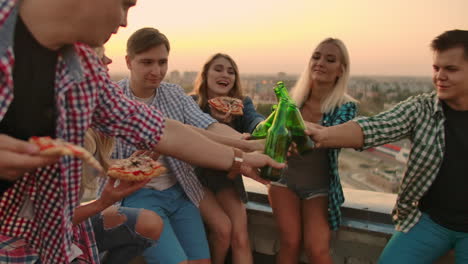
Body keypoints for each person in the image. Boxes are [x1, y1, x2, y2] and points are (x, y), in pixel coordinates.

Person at [0, 1, 283, 263]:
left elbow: (163, 130)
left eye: (162, 62)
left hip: (52, 242)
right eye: (124, 4)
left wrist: (242, 159)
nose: (124, 21)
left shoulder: (84, 68)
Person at [306, 30, 468, 264]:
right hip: (430, 222)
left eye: (450, 69)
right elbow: (374, 127)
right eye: (436, 68)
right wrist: (323, 133)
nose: (440, 76)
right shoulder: (422, 108)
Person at [113, 28, 266, 264]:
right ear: (128, 62)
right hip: (137, 194)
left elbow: (208, 127)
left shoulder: (173, 94)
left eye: (162, 62)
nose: (156, 71)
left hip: (180, 190)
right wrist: (128, 164)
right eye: (147, 62)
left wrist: (253, 145)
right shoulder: (114, 99)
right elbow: (95, 159)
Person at [268, 38, 357, 264]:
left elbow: (335, 136)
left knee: (317, 250)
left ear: (341, 70)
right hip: (284, 180)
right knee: (290, 242)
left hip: (320, 187)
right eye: (316, 57)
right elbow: (270, 133)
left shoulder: (346, 107)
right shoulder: (291, 102)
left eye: (330, 59)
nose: (320, 63)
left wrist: (299, 131)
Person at [191, 53, 264, 264]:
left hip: (225, 176)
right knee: (222, 231)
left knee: (240, 237)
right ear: (206, 75)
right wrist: (215, 121)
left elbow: (256, 122)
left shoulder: (241, 104)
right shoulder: (192, 103)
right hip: (194, 177)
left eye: (231, 72)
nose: (225, 75)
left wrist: (262, 129)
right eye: (219, 69)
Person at [74, 128, 163, 264]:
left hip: (71, 224)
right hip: (42, 239)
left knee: (149, 222)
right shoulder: (80, 139)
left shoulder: (92, 132)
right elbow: (50, 222)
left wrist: (124, 168)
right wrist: (102, 203)